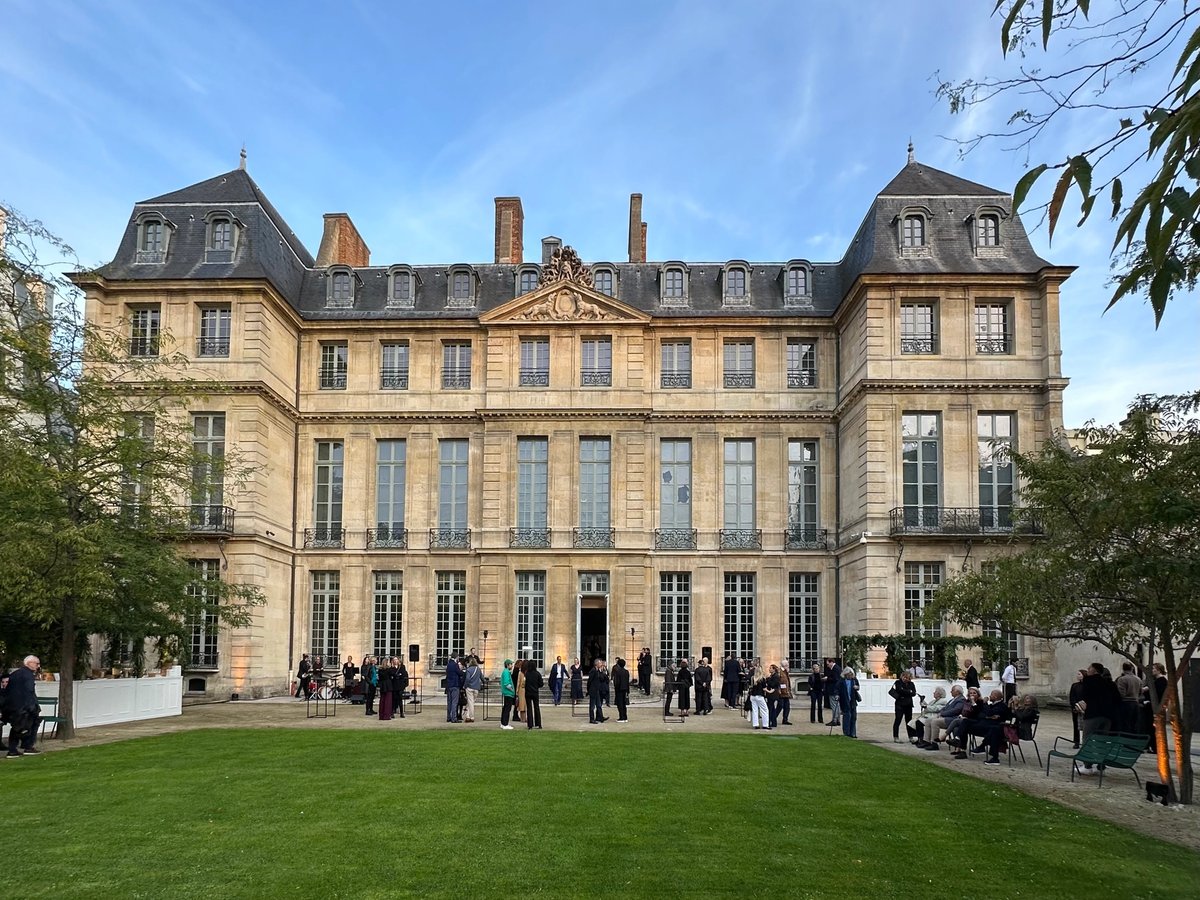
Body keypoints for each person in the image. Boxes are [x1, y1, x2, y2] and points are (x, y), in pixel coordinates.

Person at [3, 655, 42, 758]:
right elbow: (29, 691)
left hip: (13, 706)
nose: (38, 666)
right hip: (24, 706)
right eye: (36, 663)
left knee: (17, 727)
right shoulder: (28, 675)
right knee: (30, 724)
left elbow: (8, 691)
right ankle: (27, 747)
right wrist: (32, 707)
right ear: (29, 663)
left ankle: (13, 749)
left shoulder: (15, 674)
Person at [916, 685, 966, 750]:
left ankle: (934, 743)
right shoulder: (952, 699)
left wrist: (942, 714)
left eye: (952, 690)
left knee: (935, 721)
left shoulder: (961, 700)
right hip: (946, 718)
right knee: (929, 720)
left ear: (957, 692)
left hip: (952, 719)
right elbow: (945, 708)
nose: (951, 692)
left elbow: (956, 710)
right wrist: (941, 713)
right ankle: (926, 741)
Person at [889, 671, 918, 743]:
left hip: (908, 705)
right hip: (900, 704)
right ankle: (896, 736)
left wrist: (905, 691)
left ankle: (911, 736)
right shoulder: (898, 682)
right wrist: (909, 691)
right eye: (904, 677)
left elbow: (914, 693)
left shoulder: (911, 684)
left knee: (909, 721)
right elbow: (899, 690)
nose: (906, 679)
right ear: (902, 676)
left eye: (908, 678)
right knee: (898, 720)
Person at [1115, 662, 1143, 734]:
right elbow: (1140, 692)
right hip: (1136, 703)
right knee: (1134, 724)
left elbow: (1121, 694)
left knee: (1125, 725)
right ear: (1132, 668)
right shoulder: (1138, 679)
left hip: (1125, 703)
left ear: (1123, 669)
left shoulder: (1122, 679)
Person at [836, 667, 860, 738]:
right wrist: (837, 695)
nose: (850, 676)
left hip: (853, 701)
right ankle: (846, 733)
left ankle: (853, 733)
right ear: (845, 674)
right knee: (847, 716)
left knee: (854, 717)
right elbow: (837, 689)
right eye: (849, 675)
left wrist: (857, 687)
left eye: (851, 674)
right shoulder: (841, 681)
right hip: (845, 701)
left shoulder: (854, 680)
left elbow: (858, 687)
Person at [1068, 668, 1086, 748]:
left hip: (1085, 708)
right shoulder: (1075, 685)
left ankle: (1085, 741)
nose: (1077, 676)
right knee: (1076, 725)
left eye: (1079, 674)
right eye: (1077, 674)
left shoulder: (1088, 686)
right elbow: (1072, 697)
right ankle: (1076, 742)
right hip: (1076, 708)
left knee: (1086, 725)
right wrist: (1075, 706)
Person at [587, 659, 609, 724]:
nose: (601, 664)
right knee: (592, 706)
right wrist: (589, 690)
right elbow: (589, 681)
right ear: (596, 664)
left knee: (599, 705)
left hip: (597, 690)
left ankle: (600, 717)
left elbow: (602, 678)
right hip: (593, 690)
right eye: (600, 663)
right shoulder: (593, 671)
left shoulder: (598, 671)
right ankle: (591, 719)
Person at [523, 661, 543, 729]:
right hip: (535, 692)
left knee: (529, 708)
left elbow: (524, 683)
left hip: (528, 692)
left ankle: (530, 725)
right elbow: (541, 684)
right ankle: (538, 723)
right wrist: (536, 686)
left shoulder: (527, 674)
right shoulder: (537, 674)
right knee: (536, 707)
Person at [463, 656, 482, 723]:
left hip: (470, 688)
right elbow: (482, 678)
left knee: (470, 702)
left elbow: (467, 679)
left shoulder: (468, 669)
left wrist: (465, 686)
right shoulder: (478, 669)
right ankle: (468, 716)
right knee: (471, 702)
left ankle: (472, 717)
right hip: (476, 688)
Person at [823, 658, 842, 726]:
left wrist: (827, 678)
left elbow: (836, 679)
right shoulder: (837, 668)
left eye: (828, 664)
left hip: (833, 689)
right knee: (837, 705)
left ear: (831, 662)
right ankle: (837, 720)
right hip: (835, 689)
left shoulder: (835, 669)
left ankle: (834, 720)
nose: (827, 666)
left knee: (834, 706)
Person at [445, 655, 463, 723]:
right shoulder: (455, 665)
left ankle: (448, 717)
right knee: (454, 702)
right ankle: (454, 718)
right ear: (456, 657)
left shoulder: (448, 664)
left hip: (449, 685)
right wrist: (463, 672)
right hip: (455, 685)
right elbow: (459, 673)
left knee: (449, 702)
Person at [612, 657, 631, 722]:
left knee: (620, 704)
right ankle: (625, 717)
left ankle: (622, 717)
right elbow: (627, 682)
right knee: (624, 704)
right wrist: (628, 691)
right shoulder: (626, 672)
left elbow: (617, 682)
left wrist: (616, 688)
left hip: (619, 689)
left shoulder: (618, 672)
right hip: (625, 689)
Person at [499, 659, 516, 729]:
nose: (512, 666)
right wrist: (512, 690)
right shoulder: (506, 672)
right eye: (511, 664)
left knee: (505, 708)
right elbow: (506, 683)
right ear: (508, 665)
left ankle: (503, 723)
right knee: (507, 709)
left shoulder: (506, 672)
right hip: (508, 693)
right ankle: (505, 724)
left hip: (507, 693)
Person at [377, 656, 395, 721]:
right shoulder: (388, 670)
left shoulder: (380, 670)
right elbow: (393, 674)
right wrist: (392, 666)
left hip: (382, 685)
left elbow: (379, 678)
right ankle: (386, 715)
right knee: (388, 701)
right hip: (388, 685)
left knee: (382, 700)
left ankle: (381, 715)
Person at [764, 664, 782, 728]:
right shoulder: (772, 676)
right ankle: (773, 722)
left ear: (774, 669)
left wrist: (767, 680)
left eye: (771, 668)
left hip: (773, 694)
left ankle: (771, 722)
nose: (769, 669)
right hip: (771, 693)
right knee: (772, 708)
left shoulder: (776, 676)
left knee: (770, 708)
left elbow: (773, 684)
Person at [778, 660, 793, 725]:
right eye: (787, 664)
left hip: (786, 692)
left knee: (787, 707)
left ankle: (785, 719)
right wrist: (779, 690)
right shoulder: (779, 671)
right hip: (781, 692)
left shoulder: (786, 671)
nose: (788, 665)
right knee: (780, 706)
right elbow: (778, 681)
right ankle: (773, 718)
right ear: (784, 665)